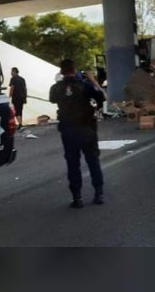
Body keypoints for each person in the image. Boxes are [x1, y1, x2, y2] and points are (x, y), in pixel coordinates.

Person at [49, 59, 107, 209]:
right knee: (93, 161)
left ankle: (77, 197)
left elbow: (52, 99)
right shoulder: (85, 85)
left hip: (68, 131)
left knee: (72, 164)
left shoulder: (56, 88)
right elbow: (101, 97)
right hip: (86, 128)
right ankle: (99, 194)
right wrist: (91, 79)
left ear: (61, 72)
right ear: (75, 69)